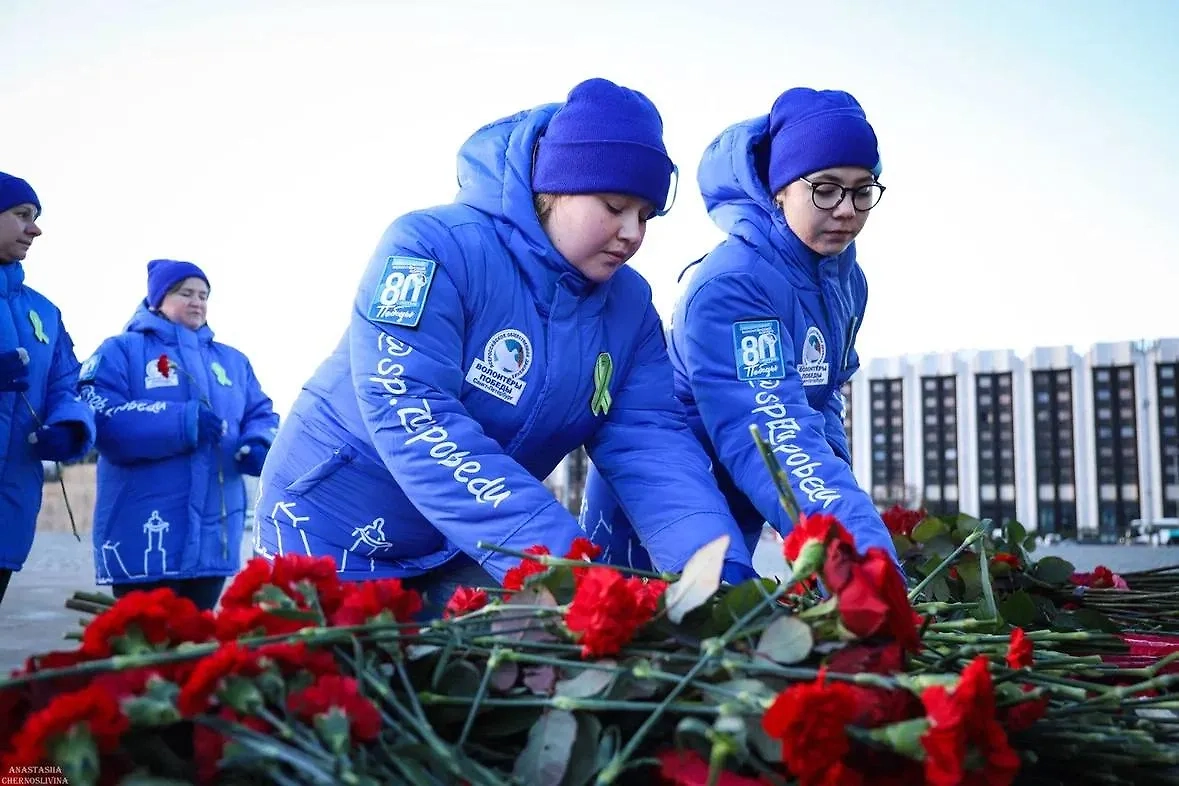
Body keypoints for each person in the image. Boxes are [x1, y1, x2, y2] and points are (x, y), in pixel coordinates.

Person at [255, 77, 757, 615]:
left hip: (468, 546)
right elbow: (411, 409)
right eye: (615, 206)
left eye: (646, 216)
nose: (633, 233)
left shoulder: (628, 309)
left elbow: (651, 446)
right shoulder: (432, 248)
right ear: (555, 187)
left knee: (505, 662)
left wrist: (712, 564)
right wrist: (559, 560)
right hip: (332, 529)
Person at [581, 87, 897, 570]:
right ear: (780, 188)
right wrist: (858, 557)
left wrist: (837, 499)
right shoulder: (733, 283)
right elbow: (771, 427)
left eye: (862, 190)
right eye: (826, 189)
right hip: (664, 510)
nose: (847, 208)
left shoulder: (845, 282)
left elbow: (822, 395)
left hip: (747, 496)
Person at [79, 259, 279, 610]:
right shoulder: (121, 351)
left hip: (213, 536)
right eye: (186, 293)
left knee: (197, 635)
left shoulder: (233, 361)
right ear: (158, 299)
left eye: (203, 295)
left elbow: (260, 413)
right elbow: (101, 416)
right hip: (141, 531)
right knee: (145, 636)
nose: (197, 302)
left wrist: (259, 443)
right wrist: (182, 422)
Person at [0, 173, 96, 607]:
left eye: (35, 217)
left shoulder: (44, 312)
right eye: (22, 215)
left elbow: (67, 384)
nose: (35, 229)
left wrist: (70, 426)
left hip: (10, 506)